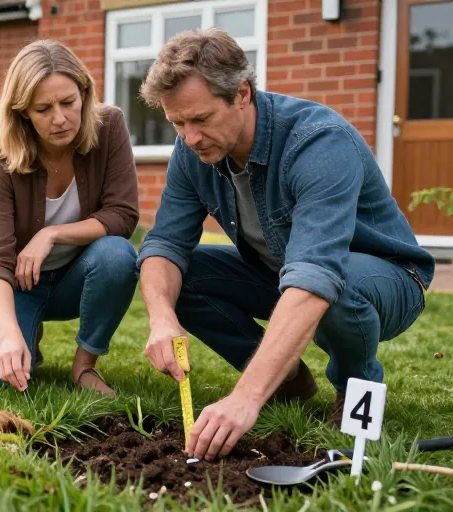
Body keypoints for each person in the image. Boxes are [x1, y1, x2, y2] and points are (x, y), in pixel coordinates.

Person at [135, 28, 435, 461]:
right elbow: (164, 243)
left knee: (336, 287)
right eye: (177, 123)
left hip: (386, 278)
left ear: (241, 93)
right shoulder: (192, 152)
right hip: (282, 272)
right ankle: (288, 379)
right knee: (182, 277)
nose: (190, 137)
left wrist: (245, 398)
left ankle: (355, 387)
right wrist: (162, 318)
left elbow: (317, 275)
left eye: (200, 119)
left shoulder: (318, 142)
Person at [0, 39, 141, 396]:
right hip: (15, 284)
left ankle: (84, 366)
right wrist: (9, 336)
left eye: (68, 102)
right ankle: (25, 333)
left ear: (84, 93)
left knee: (118, 254)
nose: (59, 119)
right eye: (43, 109)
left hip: (78, 278)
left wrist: (52, 234)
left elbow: (122, 215)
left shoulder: (109, 125)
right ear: (23, 112)